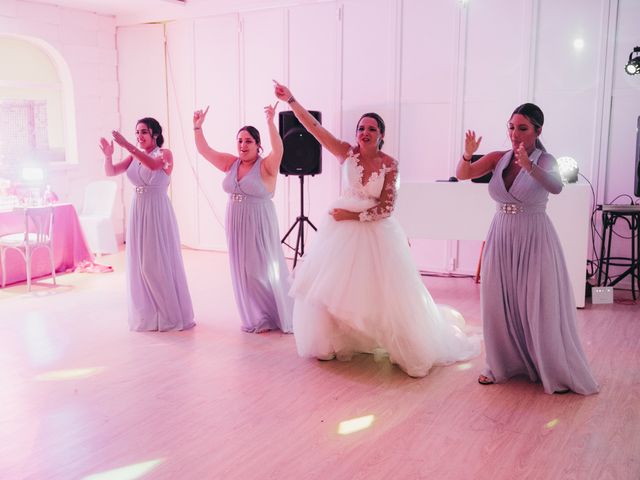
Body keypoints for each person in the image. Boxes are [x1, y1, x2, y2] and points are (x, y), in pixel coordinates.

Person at [273, 81, 480, 377]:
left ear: (381, 136)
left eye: (371, 129)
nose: (365, 133)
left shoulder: (390, 165)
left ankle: (403, 344)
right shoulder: (347, 153)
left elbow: (387, 207)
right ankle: (337, 341)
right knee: (334, 287)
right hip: (340, 233)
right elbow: (316, 129)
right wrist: (291, 100)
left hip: (374, 230)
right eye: (361, 128)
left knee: (384, 292)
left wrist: (350, 216)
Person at [456, 103, 599, 395]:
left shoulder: (545, 160)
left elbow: (556, 187)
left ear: (537, 131)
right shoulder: (498, 157)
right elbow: (463, 174)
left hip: (534, 236)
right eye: (511, 126)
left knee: (536, 302)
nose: (514, 133)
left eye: (522, 128)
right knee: (498, 301)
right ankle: (500, 366)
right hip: (501, 234)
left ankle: (548, 365)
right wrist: (468, 153)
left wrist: (529, 166)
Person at [193, 104, 293, 334]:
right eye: (239, 141)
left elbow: (279, 150)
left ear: (258, 145)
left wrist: (270, 121)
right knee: (242, 271)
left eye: (248, 141)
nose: (242, 145)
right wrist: (197, 127)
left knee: (261, 270)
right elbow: (204, 151)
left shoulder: (266, 165)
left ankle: (276, 312)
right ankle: (257, 316)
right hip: (235, 221)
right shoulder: (231, 163)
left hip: (259, 221)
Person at [100, 117, 195, 332]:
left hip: (157, 210)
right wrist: (108, 156)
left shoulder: (164, 153)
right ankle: (151, 314)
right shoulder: (134, 156)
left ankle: (169, 313)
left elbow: (153, 166)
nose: (139, 136)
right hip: (139, 209)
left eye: (143, 132)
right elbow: (111, 172)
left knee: (154, 264)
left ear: (155, 133)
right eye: (137, 133)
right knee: (140, 264)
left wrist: (127, 145)